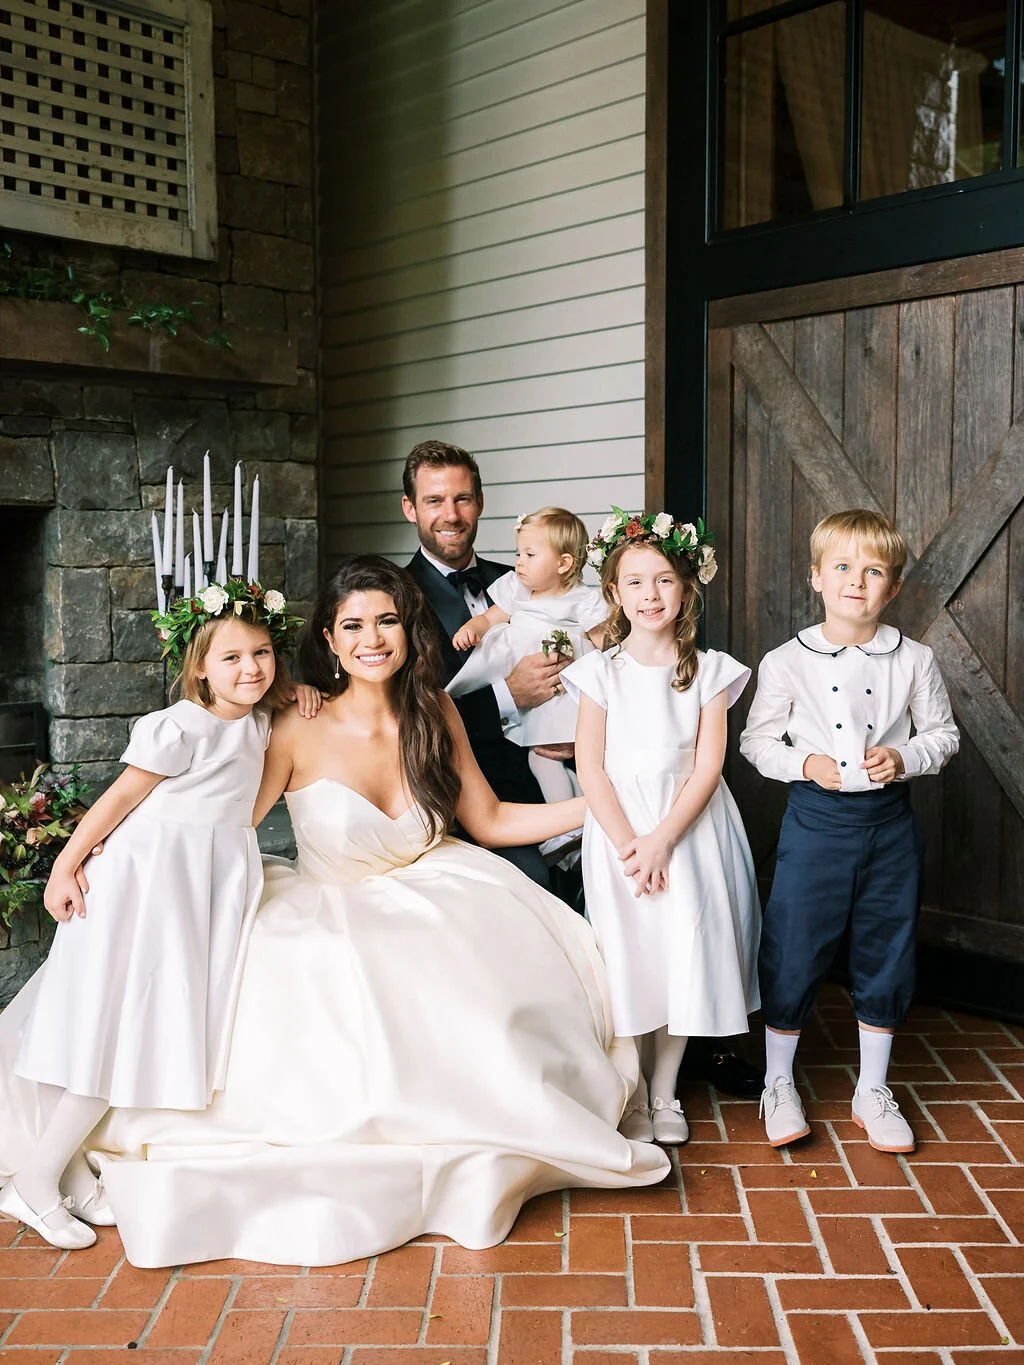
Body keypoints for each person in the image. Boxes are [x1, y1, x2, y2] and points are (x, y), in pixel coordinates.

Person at [0, 556, 669, 1268]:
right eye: (352, 624)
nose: (372, 637)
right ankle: (59, 1152)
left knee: (490, 997)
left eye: (386, 619)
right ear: (329, 636)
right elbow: (215, 817)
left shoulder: (435, 710)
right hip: (322, 899)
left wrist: (606, 811)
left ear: (409, 629)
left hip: (436, 884)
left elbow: (494, 817)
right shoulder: (290, 720)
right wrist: (97, 862)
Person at [0, 580, 297, 1249]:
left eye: (261, 652)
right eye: (231, 657)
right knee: (107, 1027)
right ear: (198, 667)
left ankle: (68, 1176)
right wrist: (66, 864)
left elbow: (238, 805)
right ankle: (36, 1180)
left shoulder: (258, 722)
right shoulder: (180, 725)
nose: (250, 667)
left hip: (200, 887)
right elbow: (117, 799)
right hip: (143, 884)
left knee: (106, 1022)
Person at [740, 509, 959, 1154]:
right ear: (816, 577)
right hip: (815, 823)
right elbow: (755, 740)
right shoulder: (786, 662)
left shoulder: (914, 659)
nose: (855, 582)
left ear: (892, 589)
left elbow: (943, 734)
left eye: (873, 572)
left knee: (886, 947)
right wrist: (803, 764)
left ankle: (873, 1088)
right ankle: (777, 1081)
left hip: (890, 827)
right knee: (794, 943)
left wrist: (906, 758)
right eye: (842, 567)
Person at [563, 510, 761, 1146]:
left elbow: (708, 766)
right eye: (637, 583)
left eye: (665, 581)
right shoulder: (600, 672)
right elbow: (590, 767)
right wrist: (630, 845)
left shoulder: (709, 670)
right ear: (616, 593)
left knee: (682, 952)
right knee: (632, 953)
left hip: (689, 829)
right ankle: (635, 1087)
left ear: (687, 587)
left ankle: (668, 1087)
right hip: (619, 831)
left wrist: (662, 841)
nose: (652, 595)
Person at [402, 441, 568, 886]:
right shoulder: (393, 598)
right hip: (464, 799)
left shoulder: (524, 578)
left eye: (462, 499)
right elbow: (406, 714)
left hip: (558, 772)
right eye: (434, 500)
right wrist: (507, 696)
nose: (451, 514)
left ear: (480, 503)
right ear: (410, 509)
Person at [449, 506, 607, 863]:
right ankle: (580, 821)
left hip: (565, 692)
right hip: (526, 699)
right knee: (548, 759)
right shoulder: (516, 588)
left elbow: (605, 646)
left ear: (564, 563)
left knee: (553, 758)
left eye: (529, 555)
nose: (519, 562)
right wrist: (473, 629)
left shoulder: (583, 600)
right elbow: (492, 617)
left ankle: (568, 826)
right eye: (518, 553)